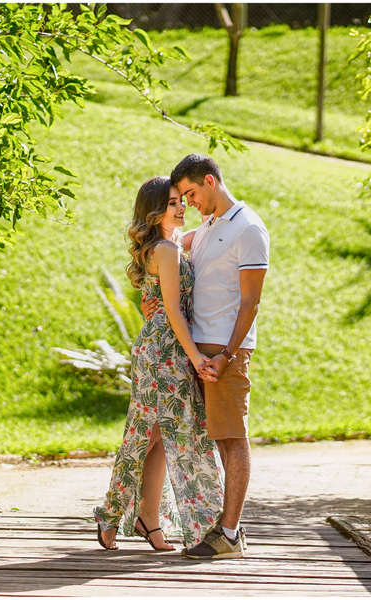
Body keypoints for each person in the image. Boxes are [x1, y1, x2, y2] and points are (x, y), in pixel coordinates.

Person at [144, 154, 270, 560]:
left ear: (211, 182)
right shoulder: (209, 227)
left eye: (192, 193)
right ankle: (157, 519)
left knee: (232, 437)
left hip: (222, 351)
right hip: (194, 351)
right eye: (182, 196)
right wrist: (152, 303)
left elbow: (250, 302)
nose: (189, 202)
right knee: (194, 437)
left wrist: (229, 355)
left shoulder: (248, 229)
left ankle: (229, 535)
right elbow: (161, 251)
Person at [94, 176, 224, 552]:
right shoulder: (166, 250)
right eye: (172, 203)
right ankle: (111, 512)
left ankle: (147, 519)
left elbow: (161, 302)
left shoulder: (171, 245)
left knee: (159, 439)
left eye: (182, 200)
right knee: (149, 436)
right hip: (164, 352)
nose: (181, 206)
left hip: (162, 347)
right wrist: (196, 356)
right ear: (154, 211)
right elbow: (172, 311)